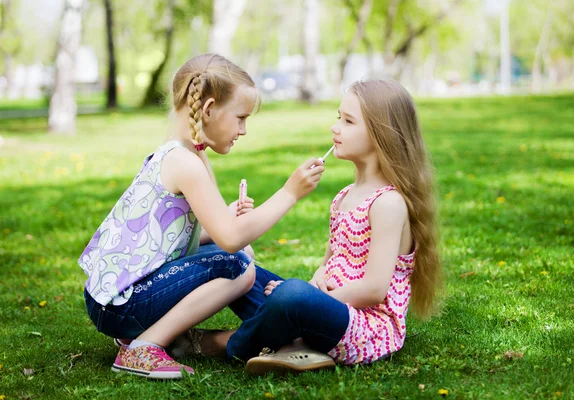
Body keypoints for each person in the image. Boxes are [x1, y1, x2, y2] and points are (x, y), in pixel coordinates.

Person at [79, 54, 325, 379]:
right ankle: (144, 348)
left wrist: (226, 222)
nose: (244, 129)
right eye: (240, 118)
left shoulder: (185, 153)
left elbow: (192, 238)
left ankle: (285, 330)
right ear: (208, 109)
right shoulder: (185, 163)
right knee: (238, 266)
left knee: (240, 256)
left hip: (115, 297)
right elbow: (231, 239)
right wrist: (290, 192)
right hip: (122, 303)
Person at [194, 79, 443, 374]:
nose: (334, 128)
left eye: (348, 121)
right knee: (235, 263)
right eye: (339, 117)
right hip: (328, 309)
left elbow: (375, 289)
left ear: (381, 135)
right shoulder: (344, 197)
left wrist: (309, 296)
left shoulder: (388, 203)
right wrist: (313, 286)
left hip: (364, 328)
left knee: (292, 296)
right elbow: (329, 266)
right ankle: (293, 342)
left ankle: (225, 344)